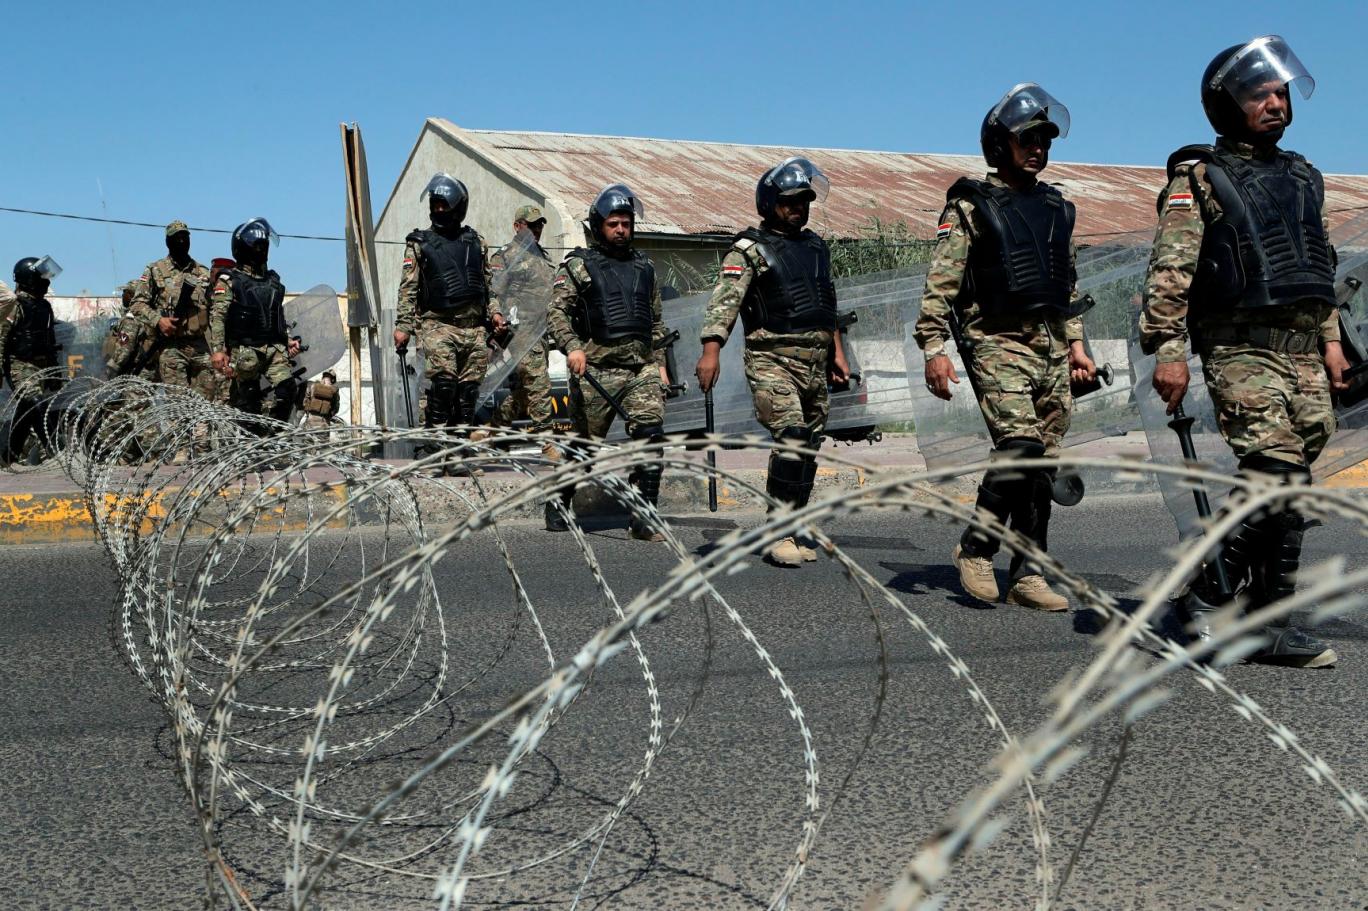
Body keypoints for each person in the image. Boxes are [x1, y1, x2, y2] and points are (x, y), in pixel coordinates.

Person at [1139, 36, 1342, 667]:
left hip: (1303, 351)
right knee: (1278, 471)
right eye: (1260, 93)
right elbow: (1170, 272)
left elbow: (1318, 266)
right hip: (1239, 348)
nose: (1276, 102)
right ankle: (1206, 602)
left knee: (1287, 487)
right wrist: (1168, 351)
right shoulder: (1201, 177)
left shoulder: (1305, 177)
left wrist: (1332, 341)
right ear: (1228, 104)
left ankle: (1262, 617)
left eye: (1282, 92)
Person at [912, 83, 1097, 610]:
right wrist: (933, 348)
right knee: (1021, 446)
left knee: (1042, 466)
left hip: (1051, 344)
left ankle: (1027, 575)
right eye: (1027, 139)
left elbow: (1066, 285)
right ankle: (976, 548)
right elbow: (940, 283)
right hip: (994, 339)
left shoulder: (1057, 207)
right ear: (999, 145)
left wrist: (1078, 345)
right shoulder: (970, 206)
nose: (1038, 148)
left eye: (1045, 140)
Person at [694, 157, 850, 566]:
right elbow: (724, 303)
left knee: (808, 447)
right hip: (772, 359)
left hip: (815, 362)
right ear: (769, 203)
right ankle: (778, 531)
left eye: (804, 200)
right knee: (792, 437)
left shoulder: (816, 248)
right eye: (789, 201)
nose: (799, 207)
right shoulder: (749, 250)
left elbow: (826, 303)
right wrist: (711, 351)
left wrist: (837, 352)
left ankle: (794, 526)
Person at [545, 183, 669, 541]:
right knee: (582, 448)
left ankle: (645, 518)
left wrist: (660, 364)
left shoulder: (645, 268)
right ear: (599, 226)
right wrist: (572, 348)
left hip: (640, 369)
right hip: (595, 372)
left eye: (626, 224)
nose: (621, 230)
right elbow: (555, 313)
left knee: (651, 438)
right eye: (613, 224)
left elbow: (655, 323)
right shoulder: (579, 266)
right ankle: (558, 501)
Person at [392, 173, 506, 450]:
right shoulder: (419, 243)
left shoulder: (476, 242)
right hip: (437, 324)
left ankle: (456, 452)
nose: (439, 210)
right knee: (444, 385)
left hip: (474, 328)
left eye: (445, 205)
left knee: (467, 396)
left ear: (458, 208)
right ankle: (433, 442)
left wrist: (496, 314)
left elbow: (488, 288)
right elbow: (408, 289)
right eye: (436, 205)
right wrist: (403, 326)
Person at [209, 218, 302, 421]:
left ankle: (274, 433)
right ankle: (251, 435)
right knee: (249, 403)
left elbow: (276, 316)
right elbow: (218, 316)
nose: (262, 251)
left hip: (273, 349)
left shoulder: (272, 281)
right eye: (258, 247)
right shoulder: (230, 281)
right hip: (246, 350)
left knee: (287, 390)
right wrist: (218, 350)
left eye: (264, 246)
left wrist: (287, 339)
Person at [489, 205, 559, 460]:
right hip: (519, 331)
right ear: (518, 226)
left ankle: (492, 432)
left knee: (522, 392)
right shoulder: (505, 256)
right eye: (531, 225)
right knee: (539, 384)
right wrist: (496, 315)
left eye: (539, 225)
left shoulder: (543, 256)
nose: (537, 229)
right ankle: (548, 445)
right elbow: (492, 291)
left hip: (542, 331)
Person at [128, 220, 215, 398]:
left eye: (185, 237)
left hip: (199, 346)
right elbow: (137, 304)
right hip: (171, 346)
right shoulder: (155, 270)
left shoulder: (202, 272)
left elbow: (215, 309)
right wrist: (159, 321)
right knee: (179, 403)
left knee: (206, 403)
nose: (181, 241)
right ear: (168, 242)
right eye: (177, 238)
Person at [1, 257, 63, 464]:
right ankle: (58, 451)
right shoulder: (14, 306)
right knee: (34, 401)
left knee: (26, 412)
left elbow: (49, 340)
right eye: (42, 278)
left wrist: (55, 370)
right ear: (30, 279)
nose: (47, 282)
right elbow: (1, 339)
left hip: (41, 365)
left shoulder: (44, 306)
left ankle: (7, 456)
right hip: (19, 364)